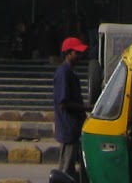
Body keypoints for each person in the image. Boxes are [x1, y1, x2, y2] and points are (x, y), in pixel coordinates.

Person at [52, 36, 89, 180]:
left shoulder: (70, 72)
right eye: (76, 53)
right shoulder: (63, 73)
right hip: (68, 128)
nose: (79, 56)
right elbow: (64, 102)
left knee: (73, 170)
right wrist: (85, 107)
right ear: (68, 53)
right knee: (65, 170)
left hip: (74, 128)